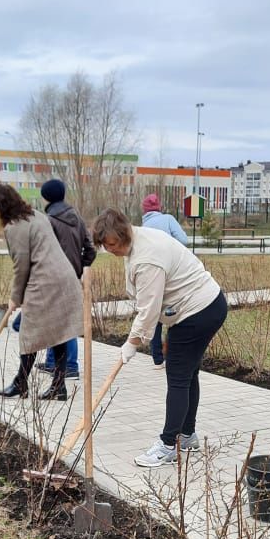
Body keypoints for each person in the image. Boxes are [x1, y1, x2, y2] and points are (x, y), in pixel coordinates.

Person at [91, 209, 227, 468]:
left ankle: (168, 446)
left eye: (111, 244)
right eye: (104, 246)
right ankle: (186, 436)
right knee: (187, 374)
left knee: (177, 376)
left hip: (197, 311)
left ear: (123, 234)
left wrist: (132, 343)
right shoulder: (138, 240)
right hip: (206, 305)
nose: (109, 250)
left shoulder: (147, 259)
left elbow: (149, 310)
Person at [0, 183, 83, 401]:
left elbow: (21, 266)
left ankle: (21, 383)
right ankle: (58, 386)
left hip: (45, 283)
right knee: (58, 333)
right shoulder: (37, 215)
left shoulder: (14, 227)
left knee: (28, 332)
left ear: (1, 207)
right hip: (64, 277)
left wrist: (15, 298)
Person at [37, 179, 96, 381]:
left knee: (58, 322)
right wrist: (78, 268)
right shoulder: (77, 218)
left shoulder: (48, 221)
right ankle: (54, 362)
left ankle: (69, 365)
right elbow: (90, 249)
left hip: (53, 278)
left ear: (46, 197)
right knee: (61, 320)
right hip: (71, 277)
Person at [141, 193, 189, 366]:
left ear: (145, 210)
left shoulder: (144, 226)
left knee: (157, 314)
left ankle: (157, 357)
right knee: (175, 313)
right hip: (173, 272)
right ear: (158, 207)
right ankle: (173, 354)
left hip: (153, 274)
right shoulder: (168, 219)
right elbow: (183, 239)